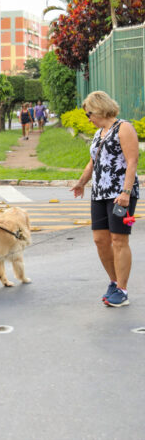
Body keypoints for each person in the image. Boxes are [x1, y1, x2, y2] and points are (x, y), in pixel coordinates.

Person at [71, 91, 139, 307]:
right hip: (99, 193)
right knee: (100, 240)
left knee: (119, 240)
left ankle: (122, 289)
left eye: (89, 113)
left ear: (99, 109)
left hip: (120, 194)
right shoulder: (100, 132)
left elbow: (132, 161)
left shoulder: (124, 128)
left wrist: (126, 192)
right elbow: (93, 161)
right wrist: (82, 182)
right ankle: (113, 281)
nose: (88, 118)